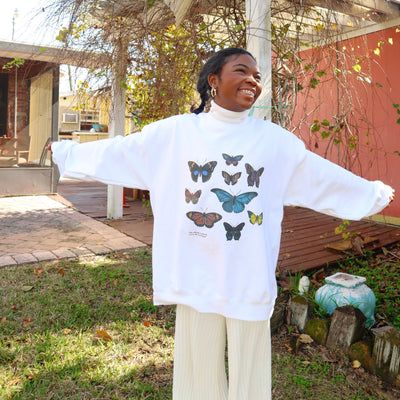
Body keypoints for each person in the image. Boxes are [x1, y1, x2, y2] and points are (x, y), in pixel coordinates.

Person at [49, 48, 394, 400]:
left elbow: (320, 175)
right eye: (242, 71)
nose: (252, 81)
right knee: (198, 374)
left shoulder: (274, 141)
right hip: (196, 272)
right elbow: (123, 151)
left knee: (251, 375)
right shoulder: (178, 133)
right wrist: (67, 153)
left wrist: (369, 194)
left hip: (249, 275)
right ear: (213, 80)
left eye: (257, 76)